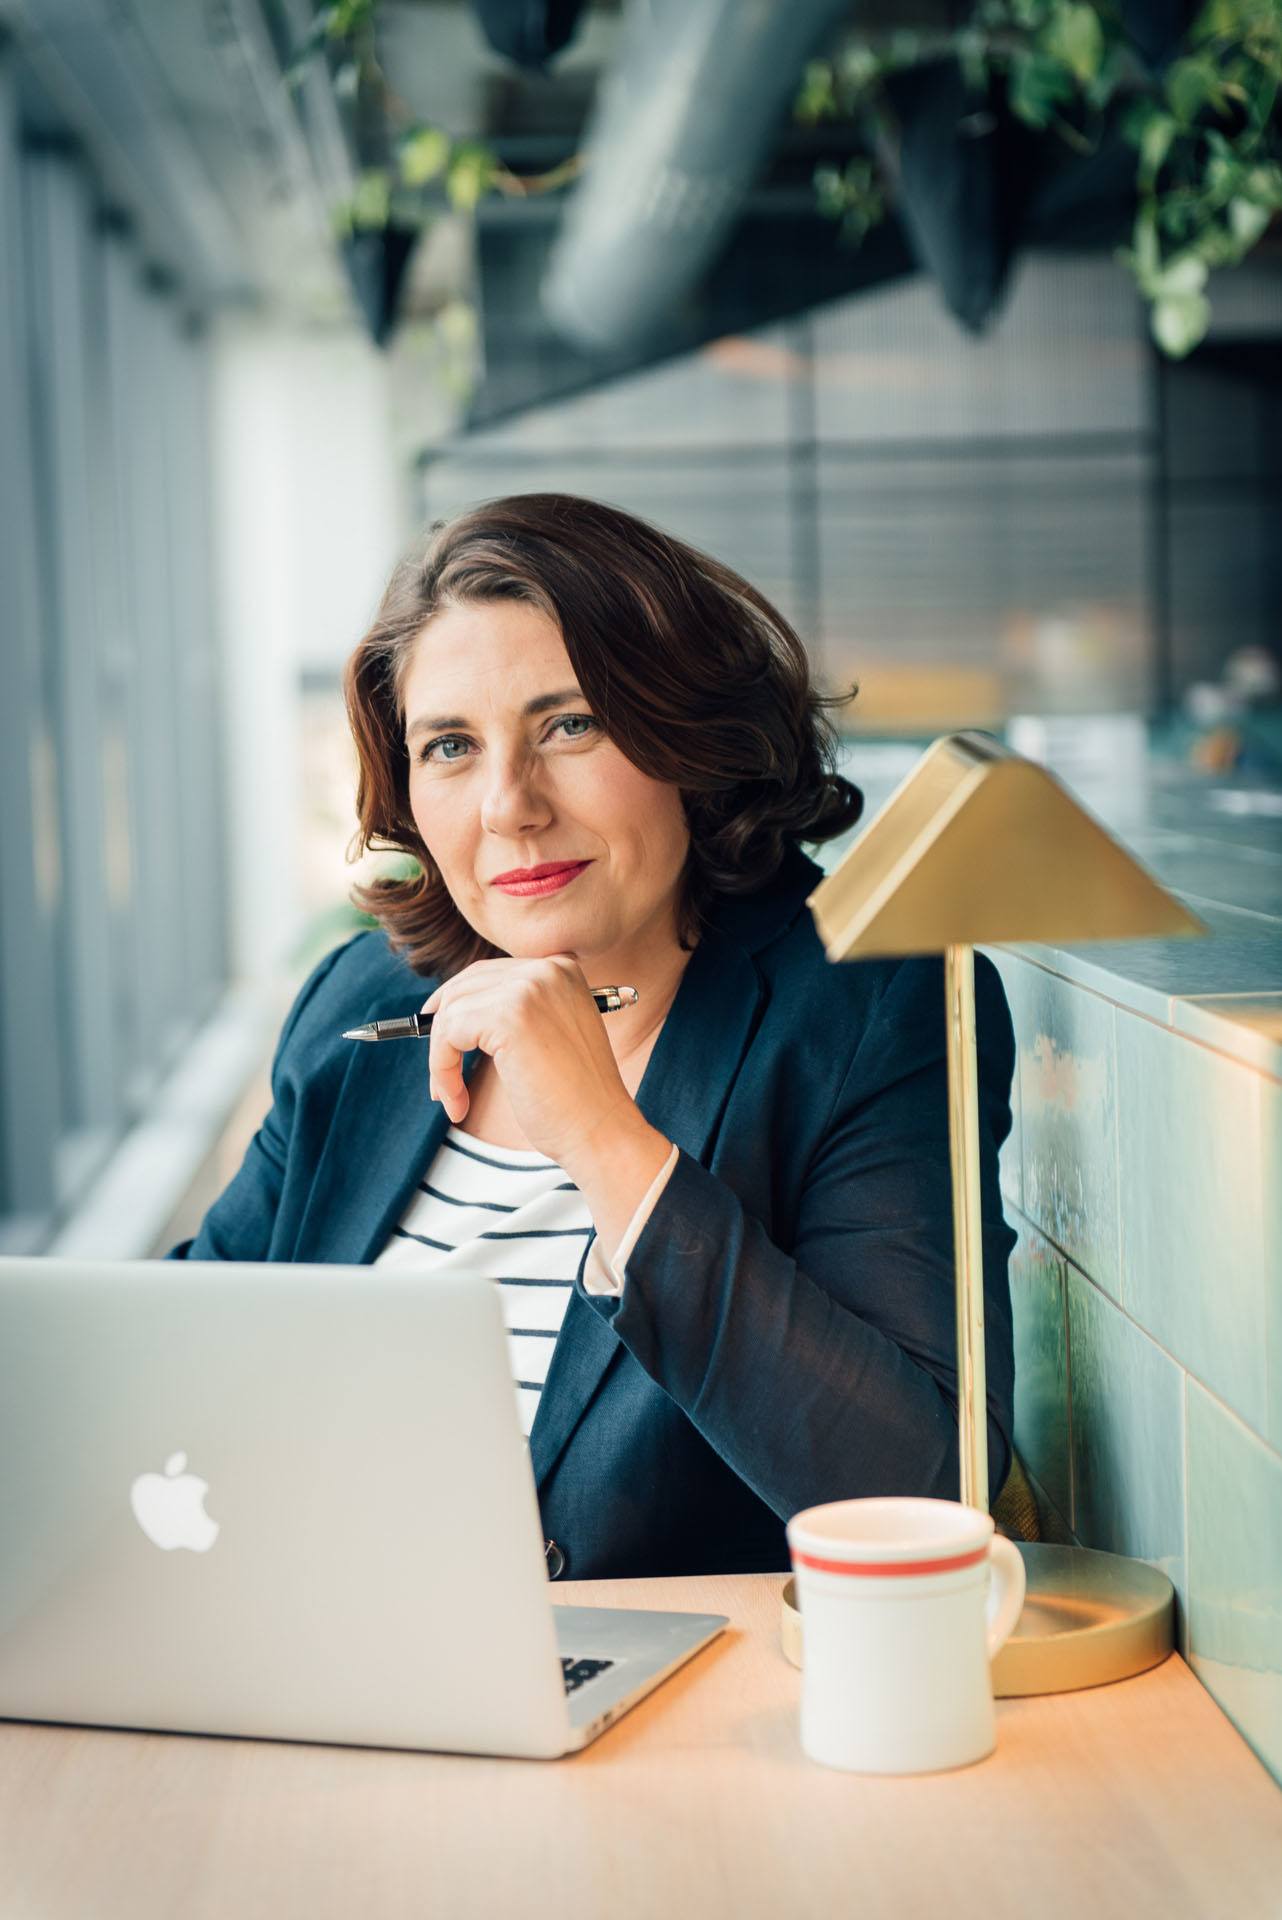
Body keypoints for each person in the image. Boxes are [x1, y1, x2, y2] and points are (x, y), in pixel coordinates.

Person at [173, 493, 1018, 1580]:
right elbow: (189, 1348)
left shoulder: (868, 1009)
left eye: (570, 725)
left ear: (689, 739)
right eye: (450, 746)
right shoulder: (356, 1001)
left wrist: (604, 1141)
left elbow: (925, 1492)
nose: (509, 806)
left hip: (658, 1679)